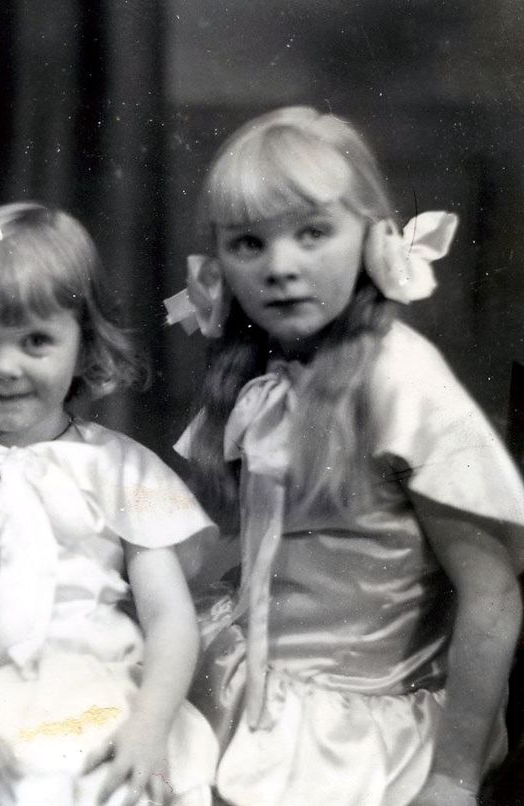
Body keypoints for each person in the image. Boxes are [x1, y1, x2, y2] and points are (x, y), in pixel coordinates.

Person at [167, 105, 524, 806]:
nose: (281, 268)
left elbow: (493, 592)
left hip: (360, 717)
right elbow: (229, 535)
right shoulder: (261, 369)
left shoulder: (404, 382)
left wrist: (454, 776)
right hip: (247, 676)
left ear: (372, 237)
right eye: (248, 243)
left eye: (313, 233)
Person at [0, 202, 219, 806]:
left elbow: (169, 615)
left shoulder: (121, 466)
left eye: (36, 341)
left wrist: (150, 722)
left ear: (84, 347)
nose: (5, 366)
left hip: (106, 699)